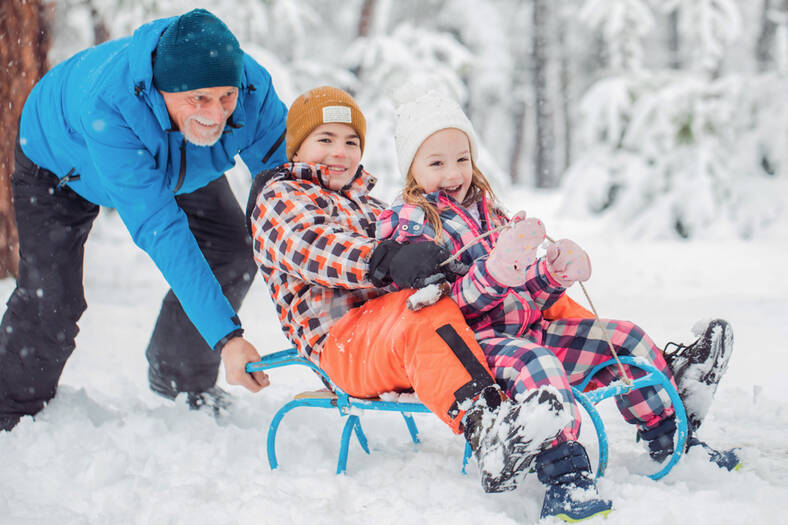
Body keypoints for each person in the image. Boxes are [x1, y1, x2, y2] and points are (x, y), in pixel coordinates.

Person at [377, 90, 739, 521]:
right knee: (538, 364)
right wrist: (494, 273)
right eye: (436, 163)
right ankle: (564, 476)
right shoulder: (410, 222)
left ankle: (670, 436)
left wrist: (553, 274)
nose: (453, 172)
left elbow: (524, 293)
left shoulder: (489, 211)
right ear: (412, 169)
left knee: (624, 337)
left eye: (462, 159)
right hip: (473, 347)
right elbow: (436, 307)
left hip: (525, 329)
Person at [245, 86, 573, 496]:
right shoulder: (281, 196)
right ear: (297, 148)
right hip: (343, 342)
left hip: (389, 329)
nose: (339, 152)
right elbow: (313, 246)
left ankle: (611, 359)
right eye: (324, 140)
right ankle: (488, 428)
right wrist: (386, 260)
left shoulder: (371, 205)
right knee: (421, 309)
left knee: (534, 288)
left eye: (350, 141)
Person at [0, 9, 281, 432]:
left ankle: (179, 374)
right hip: (59, 161)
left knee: (233, 248)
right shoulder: (112, 108)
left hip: (175, 156)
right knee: (53, 303)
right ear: (162, 89)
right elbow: (162, 228)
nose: (217, 114)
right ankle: (12, 412)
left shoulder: (253, 89)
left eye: (226, 96)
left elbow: (283, 193)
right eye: (198, 99)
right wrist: (228, 338)